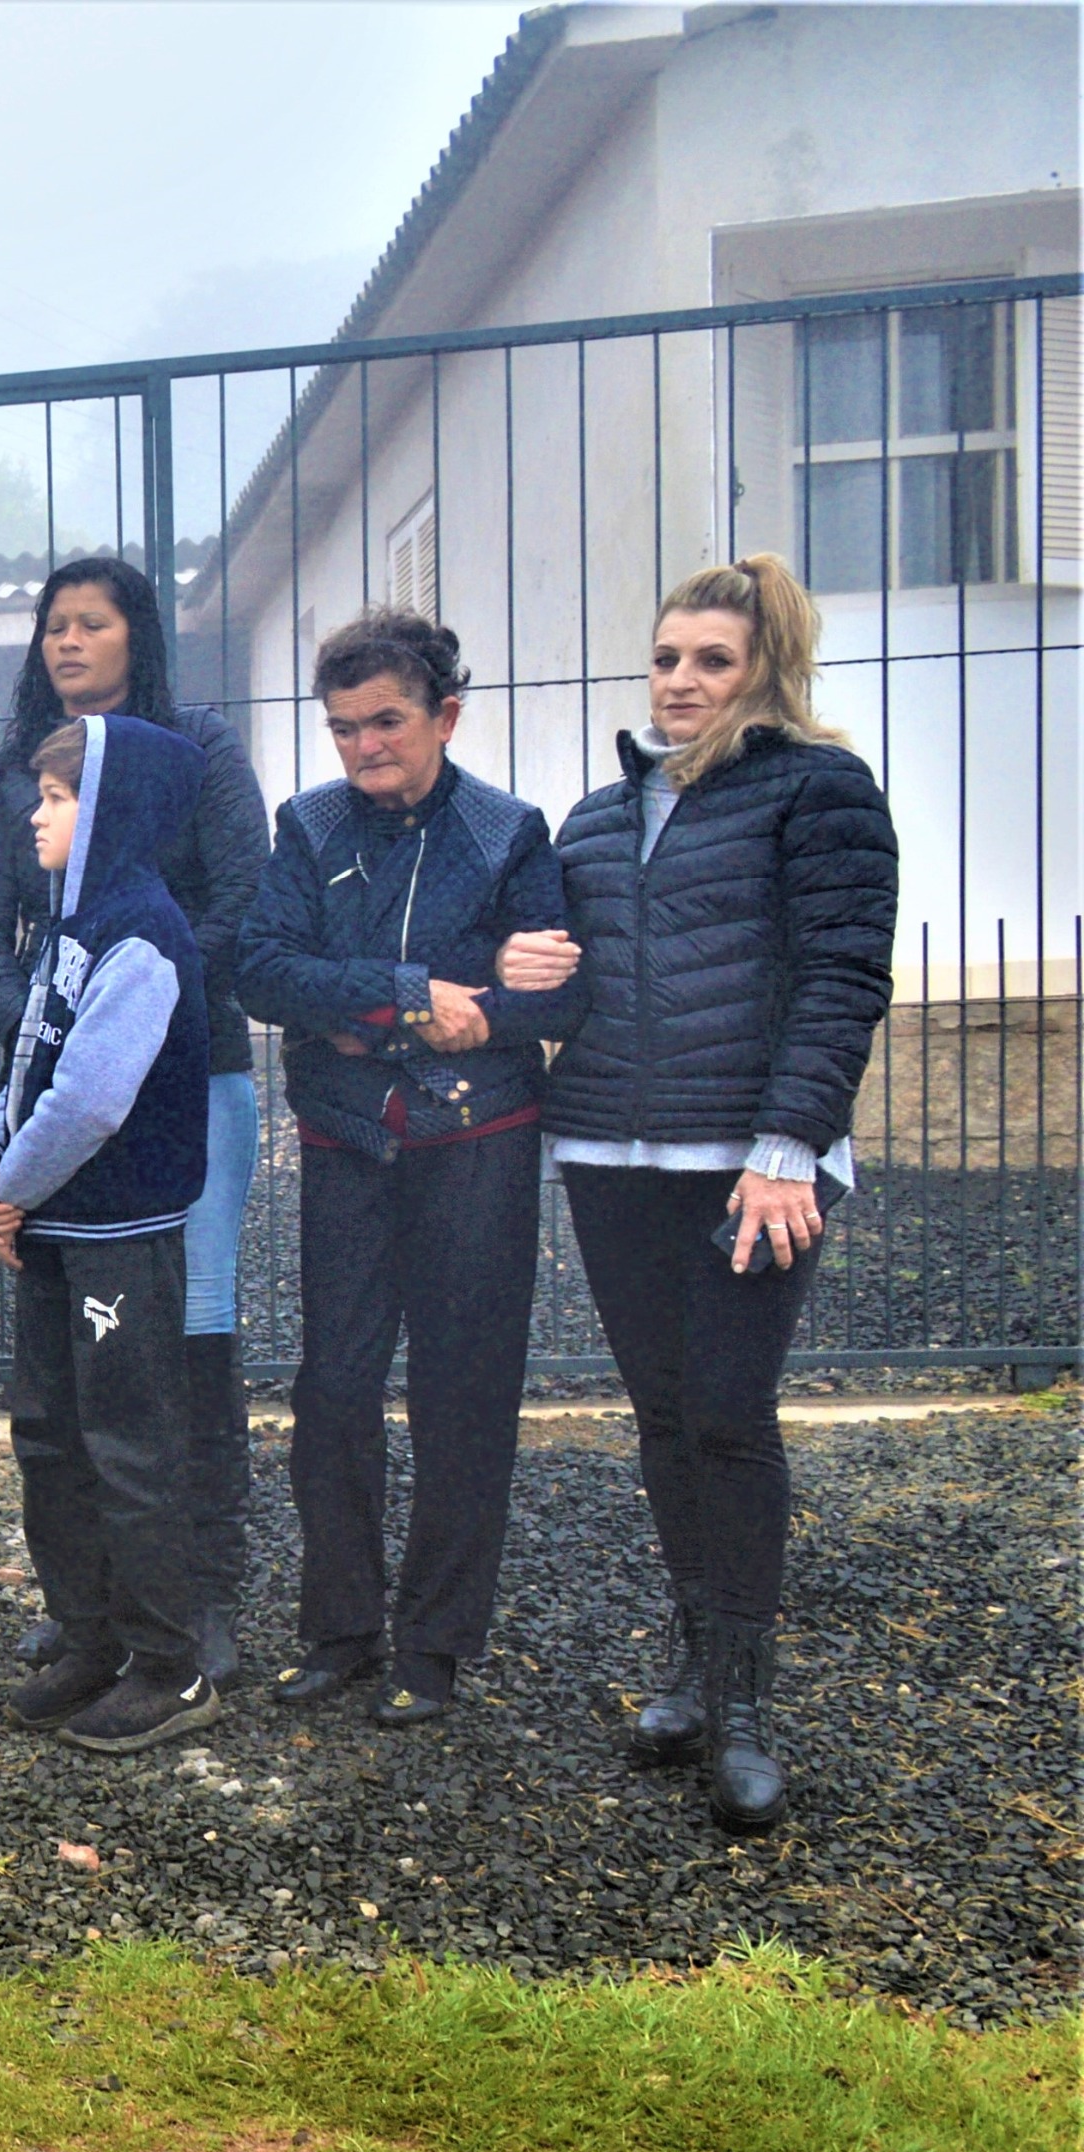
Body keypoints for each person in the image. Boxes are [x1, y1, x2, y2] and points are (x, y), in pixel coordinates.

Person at [498, 555, 895, 1833]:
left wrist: (787, 1145)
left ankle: (744, 1707)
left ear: (765, 667)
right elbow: (566, 993)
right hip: (611, 1157)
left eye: (710, 661)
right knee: (665, 1418)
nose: (678, 681)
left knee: (727, 1413)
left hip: (749, 1165)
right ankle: (691, 1665)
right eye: (665, 657)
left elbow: (841, 974)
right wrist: (520, 967)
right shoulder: (595, 817)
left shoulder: (820, 790)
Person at [239, 611, 568, 1726]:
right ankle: (339, 1629)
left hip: (477, 1143)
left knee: (461, 1392)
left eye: (386, 722)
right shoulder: (307, 824)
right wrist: (415, 993)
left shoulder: (508, 832)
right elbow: (261, 968)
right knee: (332, 1388)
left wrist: (448, 1008)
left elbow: (556, 991)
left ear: (445, 716)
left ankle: (434, 1645)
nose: (363, 747)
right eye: (342, 729)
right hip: (348, 1141)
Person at [0, 556, 269, 1685]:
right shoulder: (16, 773)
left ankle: (199, 1593)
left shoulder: (195, 750)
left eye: (92, 622)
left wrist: (143, 1017)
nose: (66, 641)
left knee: (189, 1336)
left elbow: (241, 892)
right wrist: (43, 1025)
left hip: (188, 1078)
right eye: (54, 624)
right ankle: (97, 1605)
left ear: (139, 635)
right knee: (73, 1374)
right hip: (62, 1087)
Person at [0, 715, 217, 1752]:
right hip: (50, 1228)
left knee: (127, 1445)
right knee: (49, 1436)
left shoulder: (141, 937)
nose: (37, 815)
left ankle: (169, 1665)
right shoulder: (66, 927)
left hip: (117, 1230)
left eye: (58, 798)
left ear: (113, 809)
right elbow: (26, 1060)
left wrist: (11, 1189)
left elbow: (88, 1101)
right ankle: (89, 1639)